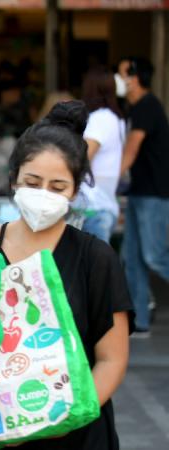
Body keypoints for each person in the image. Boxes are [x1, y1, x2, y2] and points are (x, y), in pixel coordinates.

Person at [0, 101, 132, 449]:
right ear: (14, 180)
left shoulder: (95, 258)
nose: (43, 195)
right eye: (32, 182)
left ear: (74, 190)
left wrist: (63, 420)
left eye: (57, 187)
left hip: (78, 435)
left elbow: (112, 359)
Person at [119, 57, 169, 337]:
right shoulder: (137, 107)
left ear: (135, 78)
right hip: (140, 192)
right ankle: (139, 322)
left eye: (122, 73)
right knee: (132, 257)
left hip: (154, 194)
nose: (119, 78)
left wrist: (108, 181)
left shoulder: (147, 106)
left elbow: (131, 149)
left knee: (154, 256)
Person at [78, 68, 125, 242]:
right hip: (106, 207)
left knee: (92, 268)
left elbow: (82, 159)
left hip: (93, 208)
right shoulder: (116, 119)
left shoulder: (99, 119)